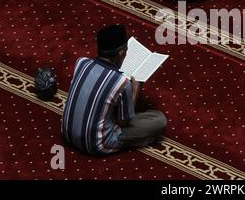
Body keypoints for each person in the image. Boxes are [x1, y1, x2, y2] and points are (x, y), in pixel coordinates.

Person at [61, 24, 167, 155]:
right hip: (96, 145)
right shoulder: (121, 82)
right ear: (121, 52)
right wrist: (135, 88)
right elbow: (124, 122)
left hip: (67, 134)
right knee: (159, 120)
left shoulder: (82, 62)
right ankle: (140, 141)